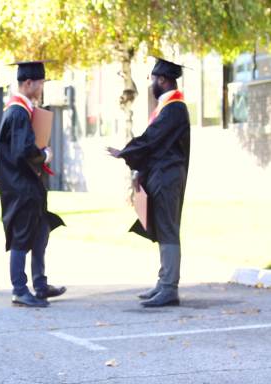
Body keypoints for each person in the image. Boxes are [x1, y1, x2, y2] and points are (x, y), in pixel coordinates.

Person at [107, 58, 190, 308]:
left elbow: (152, 139)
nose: (151, 84)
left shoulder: (174, 108)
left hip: (168, 177)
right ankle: (163, 281)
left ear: (162, 80)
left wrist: (126, 152)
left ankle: (169, 287)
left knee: (168, 229)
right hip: (162, 175)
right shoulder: (168, 107)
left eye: (153, 79)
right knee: (163, 227)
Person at [0, 61, 66, 308]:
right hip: (20, 187)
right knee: (21, 237)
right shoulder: (17, 111)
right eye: (40, 84)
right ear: (28, 83)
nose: (41, 88)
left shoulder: (22, 110)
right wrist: (45, 154)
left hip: (28, 185)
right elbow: (22, 151)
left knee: (39, 233)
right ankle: (19, 289)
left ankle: (40, 284)